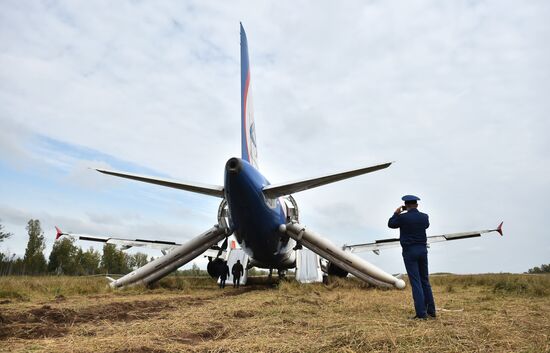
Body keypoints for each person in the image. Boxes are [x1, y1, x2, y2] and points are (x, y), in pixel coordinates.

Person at [388, 195, 436, 319]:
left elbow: (391, 224)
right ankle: (431, 311)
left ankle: (421, 314)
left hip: (410, 251)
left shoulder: (402, 218)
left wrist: (396, 213)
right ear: (417, 205)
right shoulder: (424, 217)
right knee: (425, 280)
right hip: (422, 250)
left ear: (406, 205)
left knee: (416, 282)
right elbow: (426, 226)